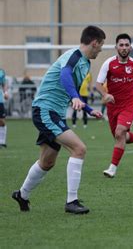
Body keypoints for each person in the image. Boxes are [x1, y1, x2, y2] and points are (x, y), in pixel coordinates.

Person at [11, 25, 105, 214]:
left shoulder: (85, 63)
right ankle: (72, 201)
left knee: (47, 162)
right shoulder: (74, 56)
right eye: (101, 45)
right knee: (79, 149)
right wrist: (75, 98)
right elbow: (65, 75)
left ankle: (22, 195)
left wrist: (87, 109)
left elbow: (71, 90)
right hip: (46, 110)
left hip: (53, 113)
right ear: (94, 43)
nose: (101, 49)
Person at [96, 33, 133, 178]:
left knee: (119, 133)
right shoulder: (108, 64)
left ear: (131, 48)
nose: (124, 48)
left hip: (129, 105)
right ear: (116, 47)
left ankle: (112, 168)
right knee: (121, 137)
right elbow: (98, 84)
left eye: (127, 45)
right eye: (121, 45)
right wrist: (105, 95)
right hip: (112, 107)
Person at [0, 68, 8, 148]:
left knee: (1, 121)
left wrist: (5, 92)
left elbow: (4, 84)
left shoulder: (1, 72)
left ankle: (2, 142)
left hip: (0, 100)